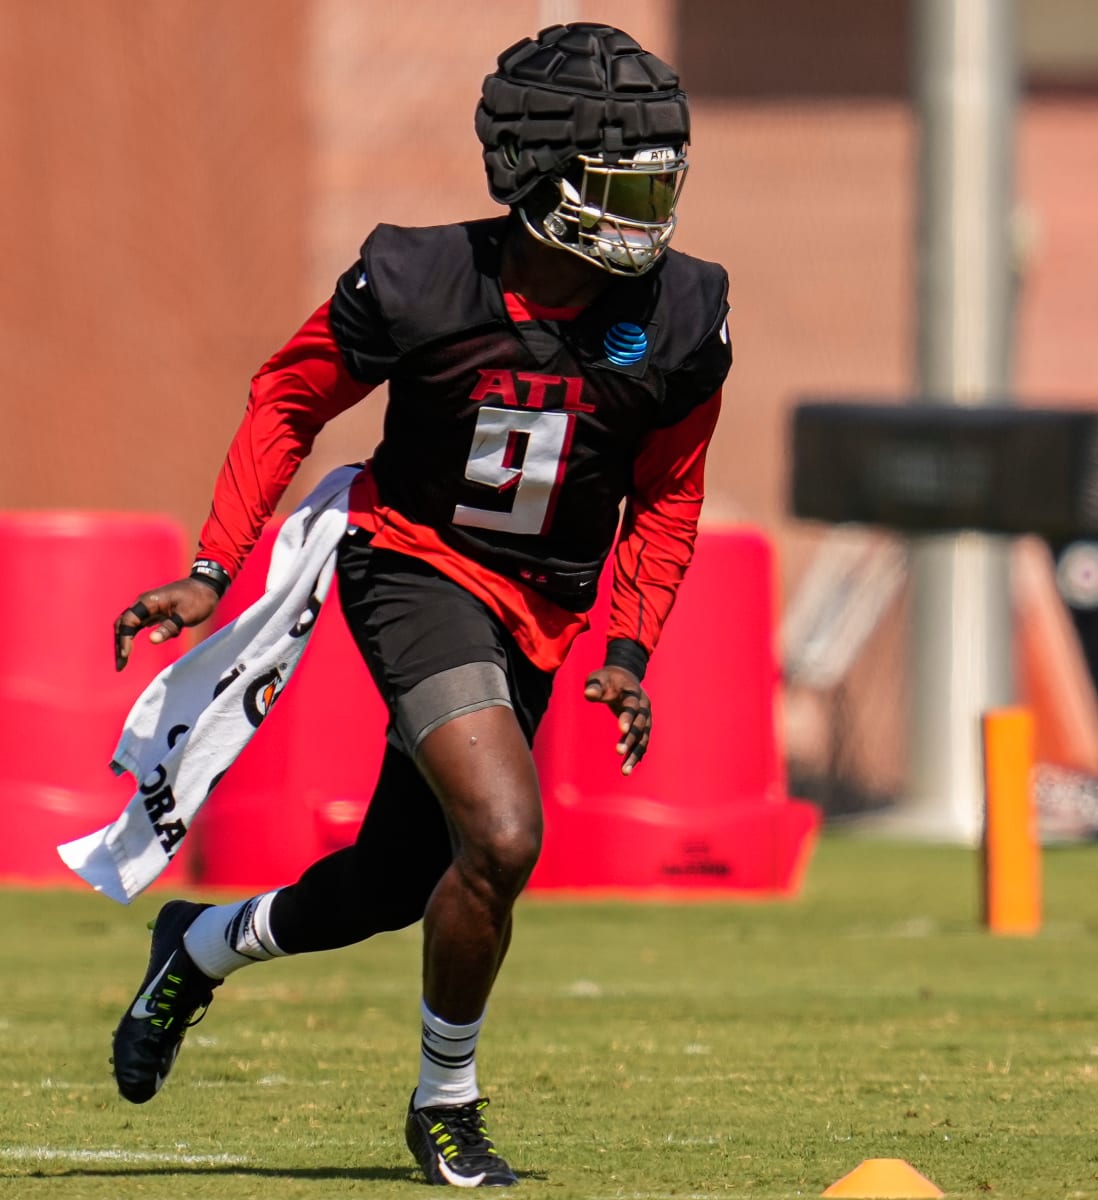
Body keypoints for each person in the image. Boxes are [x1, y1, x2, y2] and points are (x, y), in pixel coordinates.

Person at [109, 21, 731, 1188]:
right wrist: (212, 566)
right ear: (538, 177)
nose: (648, 213)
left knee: (397, 885)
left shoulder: (686, 313)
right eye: (620, 183)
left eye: (661, 181)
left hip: (544, 605)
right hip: (412, 565)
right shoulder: (419, 278)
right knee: (505, 833)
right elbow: (288, 400)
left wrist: (633, 649)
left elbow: (670, 495)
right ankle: (447, 1105)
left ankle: (194, 947)